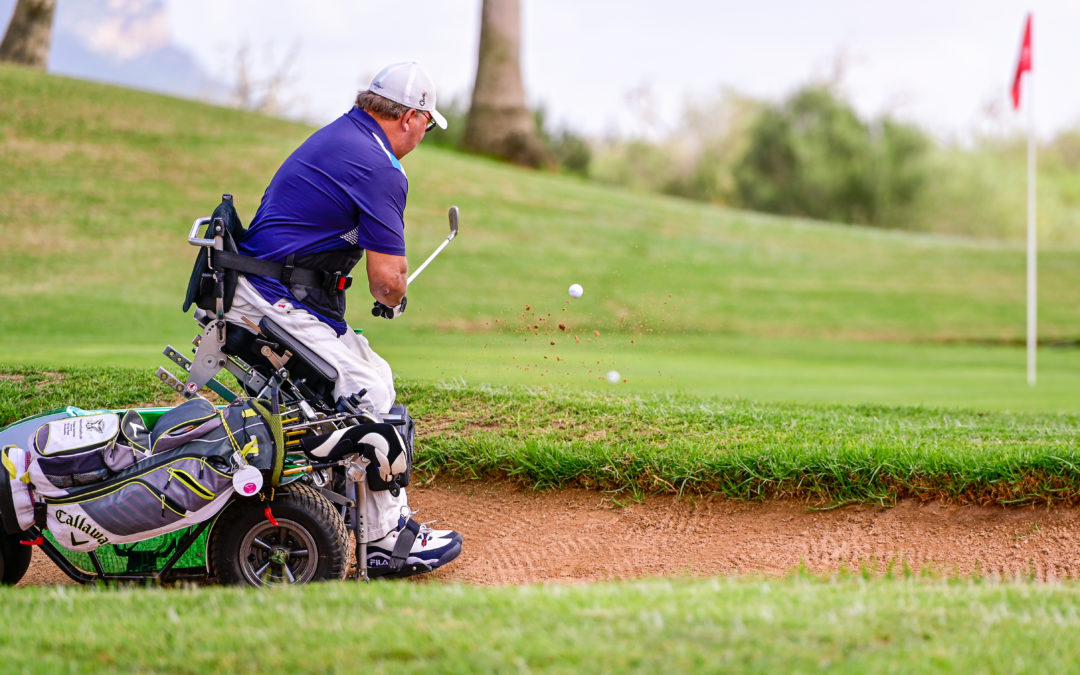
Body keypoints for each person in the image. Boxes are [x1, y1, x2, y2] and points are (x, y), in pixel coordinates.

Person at [222, 62, 460, 578]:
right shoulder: (378, 166)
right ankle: (384, 541)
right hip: (268, 298)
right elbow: (386, 280)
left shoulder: (344, 134)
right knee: (365, 391)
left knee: (376, 378)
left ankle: (382, 524)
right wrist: (395, 298)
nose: (425, 134)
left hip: (268, 291)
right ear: (412, 117)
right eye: (428, 124)